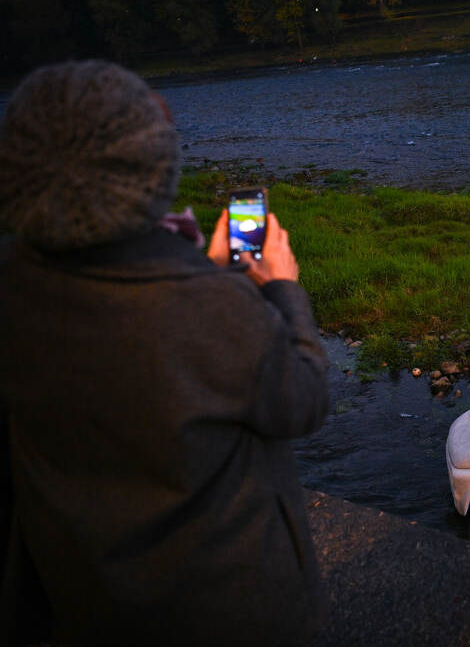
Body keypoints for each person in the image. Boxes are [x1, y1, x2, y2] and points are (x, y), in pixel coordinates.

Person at [0, 61, 328, 645]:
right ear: (154, 173)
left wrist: (197, 272)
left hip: (85, 593)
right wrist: (281, 288)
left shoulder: (12, 279)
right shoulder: (213, 307)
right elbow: (303, 399)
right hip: (229, 608)